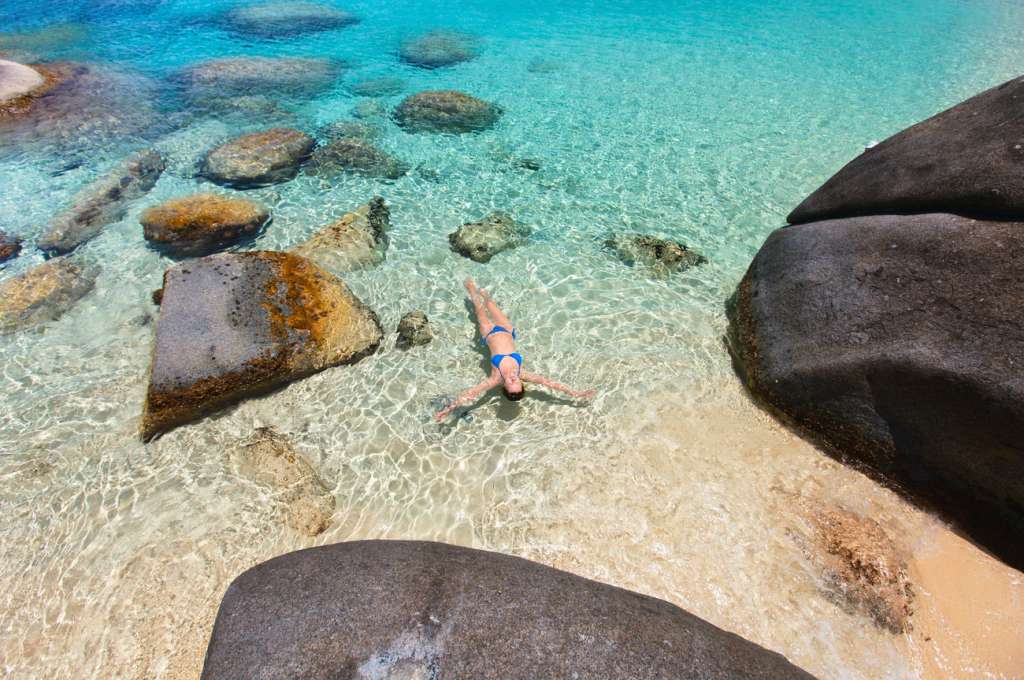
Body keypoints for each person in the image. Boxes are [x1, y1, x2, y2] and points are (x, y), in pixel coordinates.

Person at [435, 278, 595, 422]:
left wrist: (449, 409)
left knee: (479, 308)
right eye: (517, 382)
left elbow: (471, 394)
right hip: (507, 330)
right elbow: (549, 384)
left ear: (504, 386)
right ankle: (486, 296)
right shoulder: (521, 374)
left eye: (511, 382)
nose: (513, 378)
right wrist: (575, 393)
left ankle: (470, 288)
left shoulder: (495, 378)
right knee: (491, 304)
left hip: (489, 332)